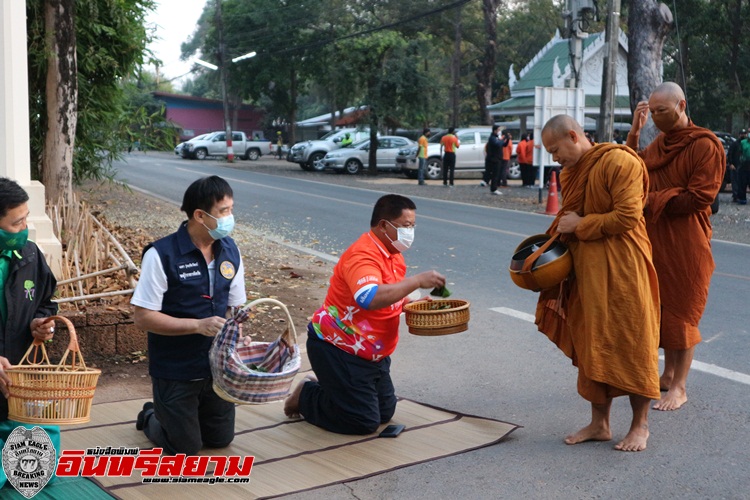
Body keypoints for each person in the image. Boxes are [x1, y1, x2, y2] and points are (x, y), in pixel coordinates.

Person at [535, 115, 661, 452]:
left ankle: (640, 425)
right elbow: (567, 221)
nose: (554, 157)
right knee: (592, 341)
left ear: (573, 136)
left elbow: (627, 216)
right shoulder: (570, 172)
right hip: (587, 271)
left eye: (555, 149)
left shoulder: (619, 161)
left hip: (625, 268)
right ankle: (600, 423)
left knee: (634, 341)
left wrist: (581, 225)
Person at [283, 194, 445, 434]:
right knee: (362, 422)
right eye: (405, 226)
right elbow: (368, 298)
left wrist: (413, 303)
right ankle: (306, 395)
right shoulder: (363, 255)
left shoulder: (393, 255)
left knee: (384, 412)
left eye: (413, 226)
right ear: (383, 225)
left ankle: (332, 387)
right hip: (339, 348)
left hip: (372, 354)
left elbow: (390, 294)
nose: (410, 232)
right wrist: (418, 281)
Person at [131, 175, 247, 455]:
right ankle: (152, 415)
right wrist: (197, 325)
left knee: (220, 440)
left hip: (217, 369)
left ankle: (174, 414)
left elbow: (236, 308)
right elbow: (143, 317)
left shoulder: (230, 250)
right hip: (176, 369)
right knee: (184, 448)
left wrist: (239, 333)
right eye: (224, 211)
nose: (230, 218)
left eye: (231, 209)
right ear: (200, 215)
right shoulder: (162, 254)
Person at [627, 82, 724, 411]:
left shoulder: (705, 145)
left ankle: (680, 387)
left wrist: (652, 200)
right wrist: (634, 134)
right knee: (662, 310)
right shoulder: (659, 143)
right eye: (652, 113)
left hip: (687, 241)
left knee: (683, 312)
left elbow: (701, 197)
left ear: (681, 105)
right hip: (657, 238)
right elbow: (635, 170)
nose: (656, 118)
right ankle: (667, 374)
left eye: (661, 111)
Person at [0, 177, 58, 488]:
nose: (24, 228)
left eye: (26, 218)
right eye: (16, 222)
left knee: (36, 473)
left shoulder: (31, 255)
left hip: (19, 377)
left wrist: (41, 322)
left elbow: (46, 302)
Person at [727, 129, 746, 203]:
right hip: (735, 165)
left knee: (741, 182)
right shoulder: (735, 144)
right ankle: (735, 196)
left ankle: (740, 196)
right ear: (739, 135)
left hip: (743, 166)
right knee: (735, 181)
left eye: (744, 134)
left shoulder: (746, 144)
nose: (743, 135)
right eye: (742, 134)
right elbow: (730, 154)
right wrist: (730, 163)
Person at [487, 125, 504, 195]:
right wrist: (502, 140)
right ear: (495, 131)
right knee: (495, 174)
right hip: (494, 159)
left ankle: (494, 187)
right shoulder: (493, 138)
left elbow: (503, 144)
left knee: (496, 174)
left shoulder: (496, 138)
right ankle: (494, 188)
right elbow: (498, 144)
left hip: (497, 158)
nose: (499, 132)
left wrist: (506, 139)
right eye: (498, 130)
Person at [736, 132, 750, 205]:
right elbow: (739, 153)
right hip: (744, 165)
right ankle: (742, 198)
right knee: (742, 182)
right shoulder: (743, 142)